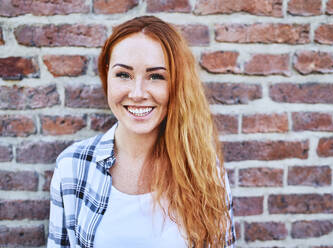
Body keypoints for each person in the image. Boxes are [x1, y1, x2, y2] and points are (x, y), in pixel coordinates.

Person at [48, 15, 235, 248]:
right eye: (123, 74)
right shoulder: (72, 167)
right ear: (107, 76)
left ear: (176, 84)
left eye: (155, 76)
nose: (137, 93)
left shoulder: (205, 170)